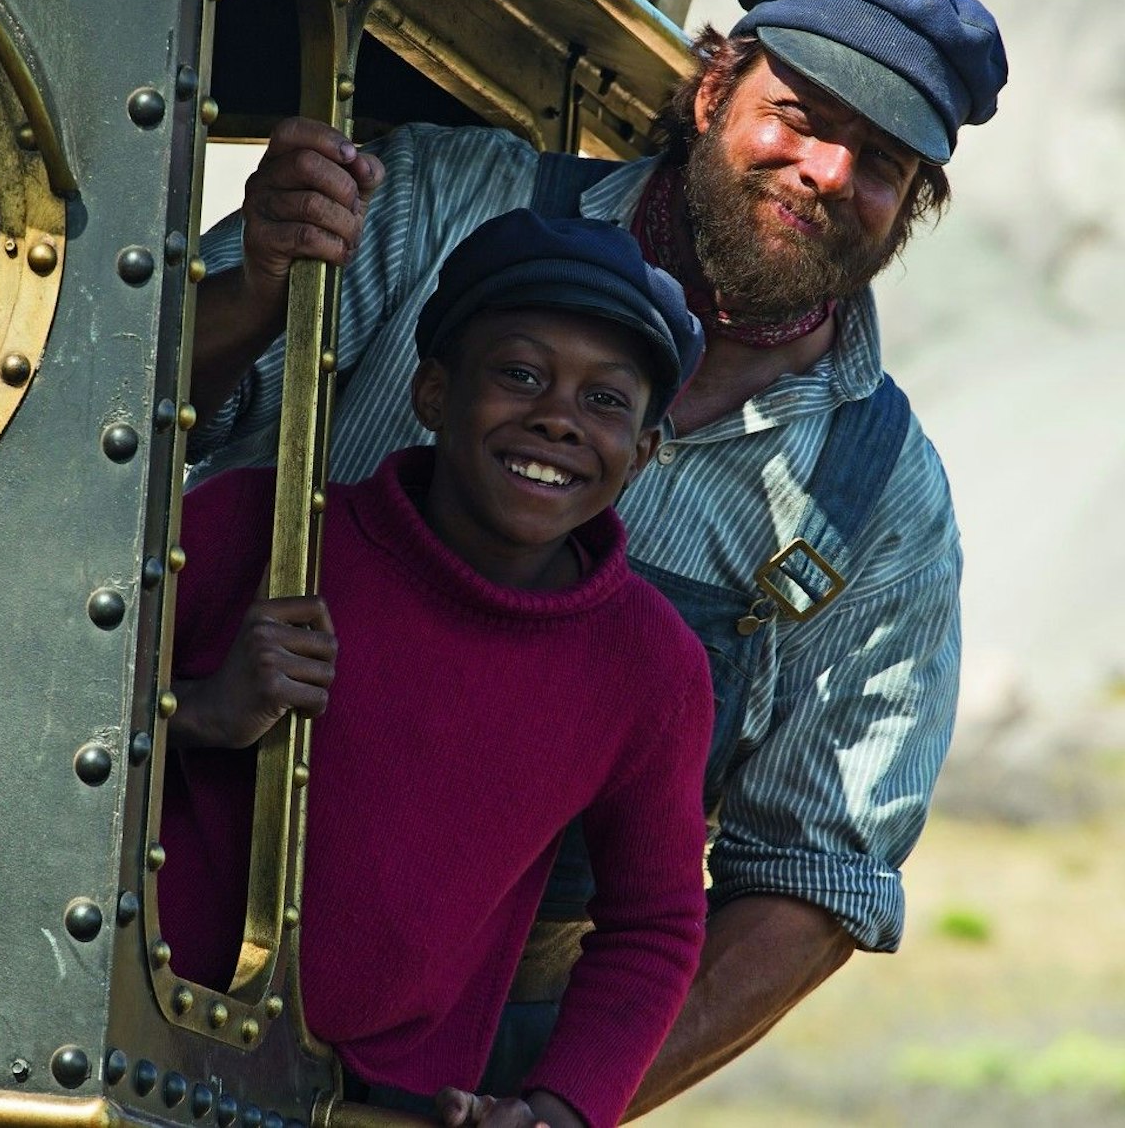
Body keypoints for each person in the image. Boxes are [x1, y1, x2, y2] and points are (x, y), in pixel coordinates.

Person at [185, 0, 1009, 1114]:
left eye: (879, 160)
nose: (825, 168)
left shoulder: (878, 501)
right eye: (798, 113)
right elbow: (137, 428)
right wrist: (257, 282)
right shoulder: (434, 207)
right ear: (712, 89)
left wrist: (566, 1102)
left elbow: (814, 874)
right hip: (172, 930)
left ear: (914, 206)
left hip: (476, 1048)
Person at [159, 208, 714, 1128]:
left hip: (382, 1108)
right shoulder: (255, 526)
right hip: (135, 1037)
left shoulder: (651, 667)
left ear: (645, 453)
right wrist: (201, 712)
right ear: (431, 393)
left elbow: (653, 925)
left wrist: (564, 1107)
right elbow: (42, 713)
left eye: (605, 401)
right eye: (520, 374)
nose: (558, 419)